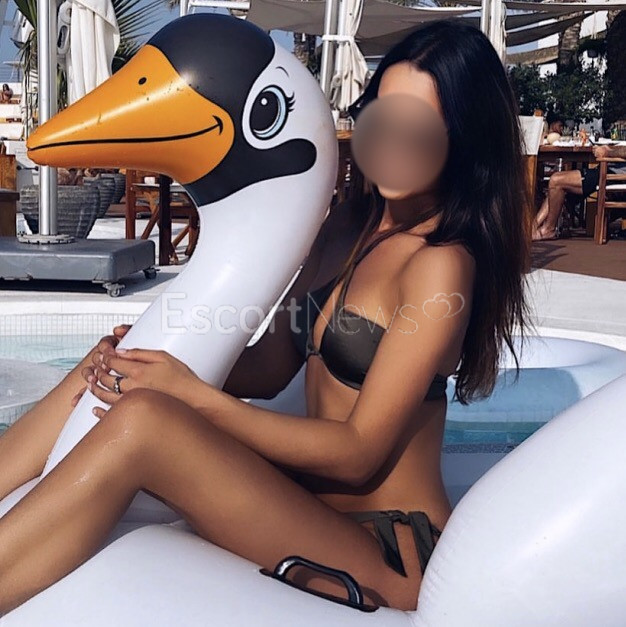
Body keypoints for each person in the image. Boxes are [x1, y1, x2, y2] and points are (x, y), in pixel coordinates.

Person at [0, 20, 532, 615]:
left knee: (144, 421)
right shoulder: (347, 227)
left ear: (464, 140)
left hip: (382, 544)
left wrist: (193, 397)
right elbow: (273, 365)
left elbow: (358, 450)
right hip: (305, 506)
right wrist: (154, 356)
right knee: (108, 370)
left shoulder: (441, 266)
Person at [533, 143, 626, 240]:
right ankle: (534, 226)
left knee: (556, 181)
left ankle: (548, 229)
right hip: (606, 171)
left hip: (614, 176)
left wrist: (607, 152)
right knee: (557, 185)